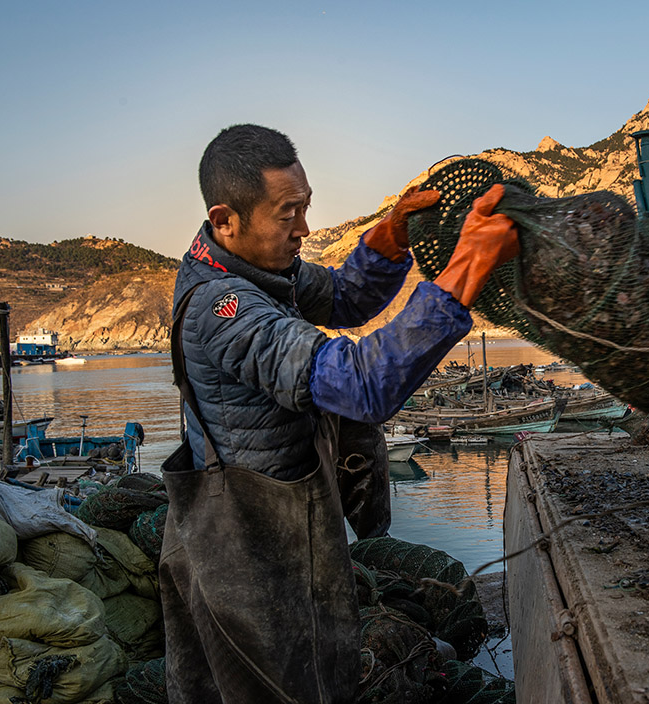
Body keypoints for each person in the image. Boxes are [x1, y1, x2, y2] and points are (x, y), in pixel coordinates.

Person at [158, 123, 520, 704]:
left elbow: (346, 299)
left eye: (306, 208)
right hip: (244, 551)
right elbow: (363, 385)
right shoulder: (223, 309)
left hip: (288, 532)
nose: (303, 229)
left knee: (319, 674)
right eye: (288, 214)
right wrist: (464, 274)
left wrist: (391, 238)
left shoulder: (257, 267)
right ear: (226, 219)